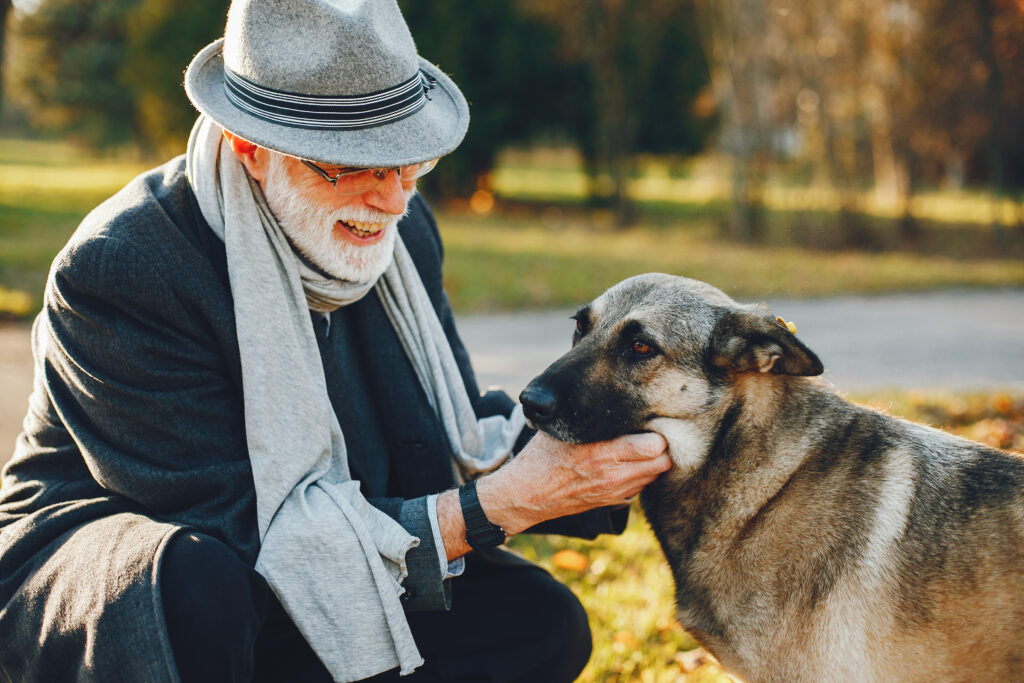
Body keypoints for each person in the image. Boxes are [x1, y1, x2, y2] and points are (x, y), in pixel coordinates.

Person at [0, 1, 671, 681]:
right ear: (251, 148)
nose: (391, 197)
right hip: (143, 583)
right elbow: (251, 542)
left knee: (539, 622)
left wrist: (623, 438)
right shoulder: (126, 266)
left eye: (407, 158)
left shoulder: (402, 233)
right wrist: (503, 502)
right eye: (350, 164)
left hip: (325, 552)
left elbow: (446, 437)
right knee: (195, 585)